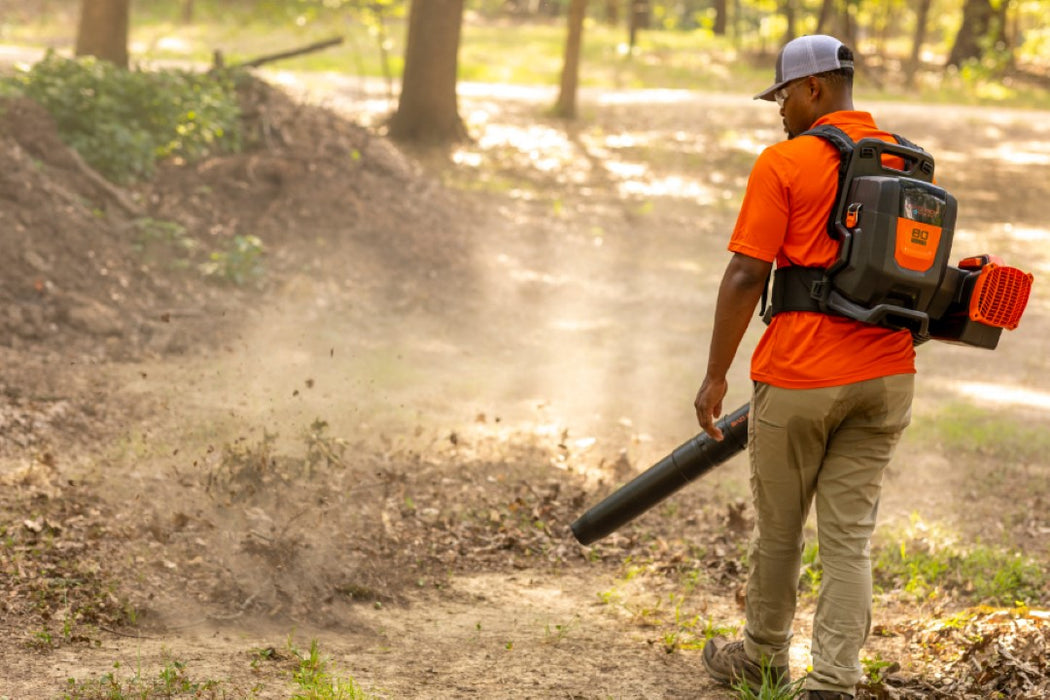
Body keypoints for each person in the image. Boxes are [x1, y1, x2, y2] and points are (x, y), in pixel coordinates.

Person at [693, 35, 916, 700]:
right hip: (886, 380)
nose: (779, 110)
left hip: (801, 377)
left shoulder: (785, 163)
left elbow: (744, 275)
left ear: (813, 87)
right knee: (850, 539)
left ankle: (762, 659)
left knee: (781, 532)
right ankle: (833, 683)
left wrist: (714, 377)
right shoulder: (908, 163)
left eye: (782, 95)